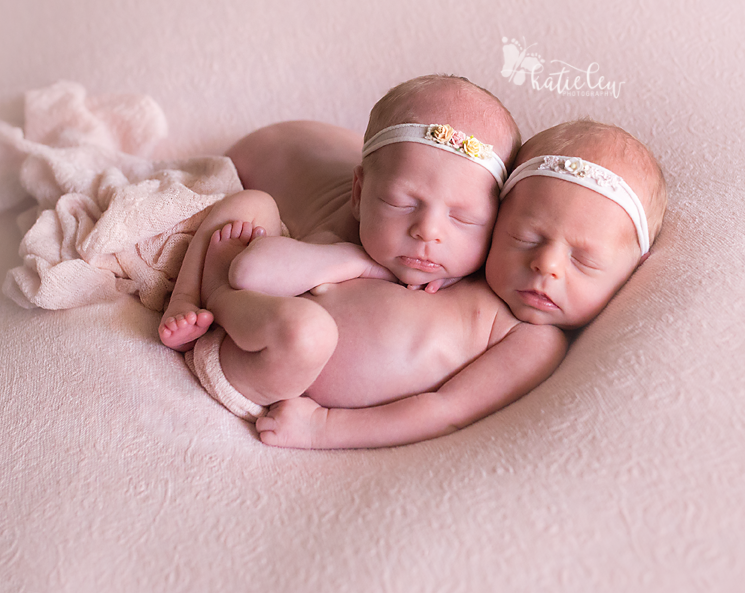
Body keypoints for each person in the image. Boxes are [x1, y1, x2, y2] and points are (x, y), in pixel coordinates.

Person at [248, 119, 667, 448]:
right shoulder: (461, 258)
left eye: (585, 260)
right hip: (271, 301)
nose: (545, 266)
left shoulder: (532, 341)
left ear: (633, 268)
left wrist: (324, 428)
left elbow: (446, 410)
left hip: (286, 380)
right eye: (524, 238)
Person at [158, 74, 521, 421]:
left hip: (334, 144)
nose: (428, 232)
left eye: (463, 219)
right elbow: (254, 274)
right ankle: (186, 298)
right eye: (401, 203)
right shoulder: (340, 230)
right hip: (265, 151)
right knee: (249, 205)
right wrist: (352, 259)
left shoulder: (484, 283)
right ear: (359, 196)